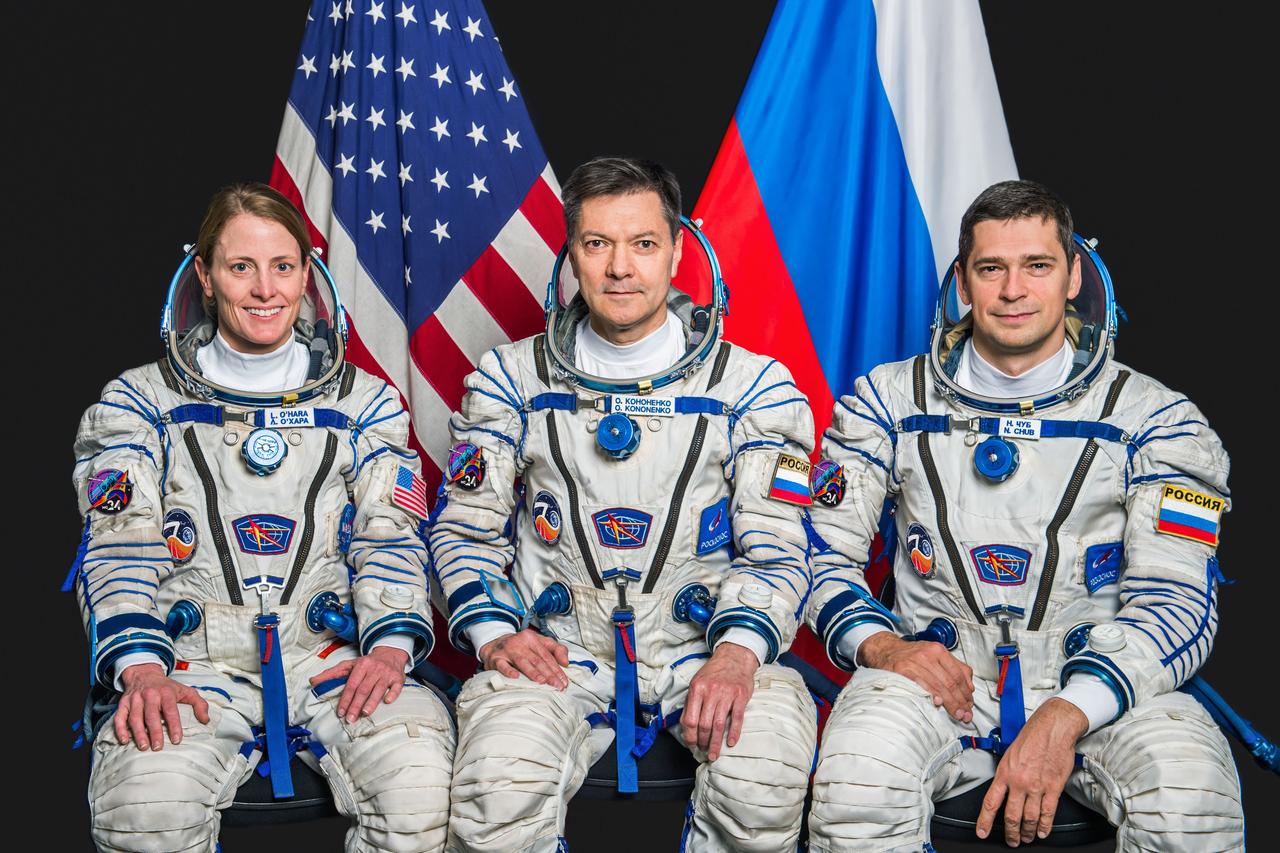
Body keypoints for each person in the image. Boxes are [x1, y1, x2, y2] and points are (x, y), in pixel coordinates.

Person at [804, 180, 1244, 851]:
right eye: (992, 268)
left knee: (1190, 794)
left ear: (1073, 276)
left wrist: (1071, 709)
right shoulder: (884, 402)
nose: (1014, 290)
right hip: (938, 671)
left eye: (1036, 265)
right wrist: (885, 645)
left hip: (1099, 680)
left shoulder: (1157, 420)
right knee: (856, 784)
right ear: (963, 282)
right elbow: (814, 553)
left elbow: (1176, 599)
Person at [432, 156, 817, 852]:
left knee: (762, 786)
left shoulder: (754, 386)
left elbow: (777, 547)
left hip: (704, 648)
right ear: (571, 255)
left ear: (677, 251)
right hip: (560, 651)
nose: (620, 268)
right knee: (497, 792)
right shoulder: (510, 379)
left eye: (643, 243)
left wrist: (737, 652)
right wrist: (495, 633)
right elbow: (464, 530)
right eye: (597, 243)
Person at [71, 183, 453, 852]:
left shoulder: (364, 404)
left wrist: (390, 646)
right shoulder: (138, 403)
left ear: (308, 274)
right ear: (206, 276)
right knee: (144, 808)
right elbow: (119, 545)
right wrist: (141, 667)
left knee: (425, 785)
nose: (264, 288)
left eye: (282, 266)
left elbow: (389, 534)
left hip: (331, 656)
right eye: (240, 266)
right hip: (188, 664)